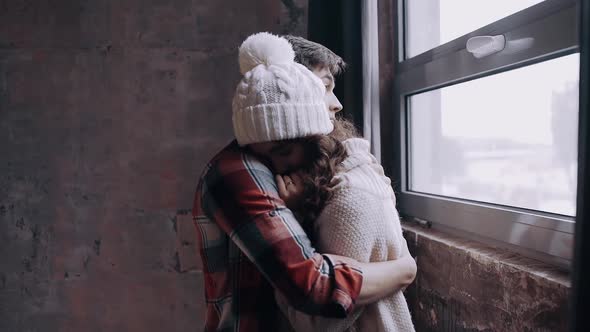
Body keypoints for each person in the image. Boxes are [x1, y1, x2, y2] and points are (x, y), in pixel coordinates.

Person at [192, 32, 417, 332]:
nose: (336, 104)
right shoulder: (240, 174)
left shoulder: (303, 167)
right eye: (323, 87)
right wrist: (404, 270)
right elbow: (311, 285)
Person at [271, 117, 415, 331]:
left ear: (312, 140)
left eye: (284, 151)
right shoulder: (354, 180)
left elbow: (321, 323)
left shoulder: (347, 201)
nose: (277, 167)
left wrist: (287, 220)